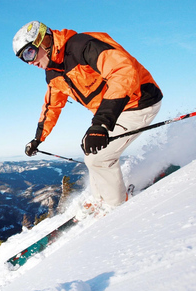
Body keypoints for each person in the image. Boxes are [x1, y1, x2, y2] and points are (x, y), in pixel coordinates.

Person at [13, 21, 162, 207]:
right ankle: (100, 198)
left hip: (138, 101)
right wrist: (38, 139)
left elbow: (122, 72)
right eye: (23, 59)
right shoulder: (52, 73)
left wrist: (101, 123)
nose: (30, 62)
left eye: (29, 53)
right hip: (114, 111)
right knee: (90, 148)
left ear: (44, 41)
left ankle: (117, 207)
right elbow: (52, 106)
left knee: (99, 158)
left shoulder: (82, 46)